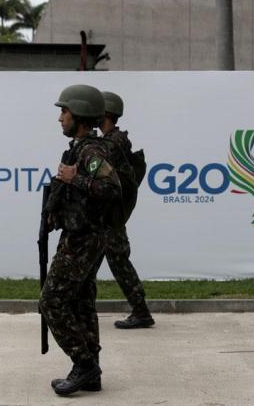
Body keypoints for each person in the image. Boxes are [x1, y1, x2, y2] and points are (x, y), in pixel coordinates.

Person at [40, 84, 122, 395]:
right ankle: (92, 373)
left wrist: (77, 179)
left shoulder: (90, 151)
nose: (60, 117)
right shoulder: (82, 147)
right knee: (81, 301)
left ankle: (85, 364)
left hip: (84, 238)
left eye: (64, 111)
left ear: (81, 114)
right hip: (81, 234)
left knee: (51, 301)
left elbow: (113, 189)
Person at [98, 91, 155, 329]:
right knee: (111, 260)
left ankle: (141, 311)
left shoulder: (115, 142)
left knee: (118, 260)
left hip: (110, 215)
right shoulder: (110, 140)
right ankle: (140, 310)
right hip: (108, 213)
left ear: (107, 114)